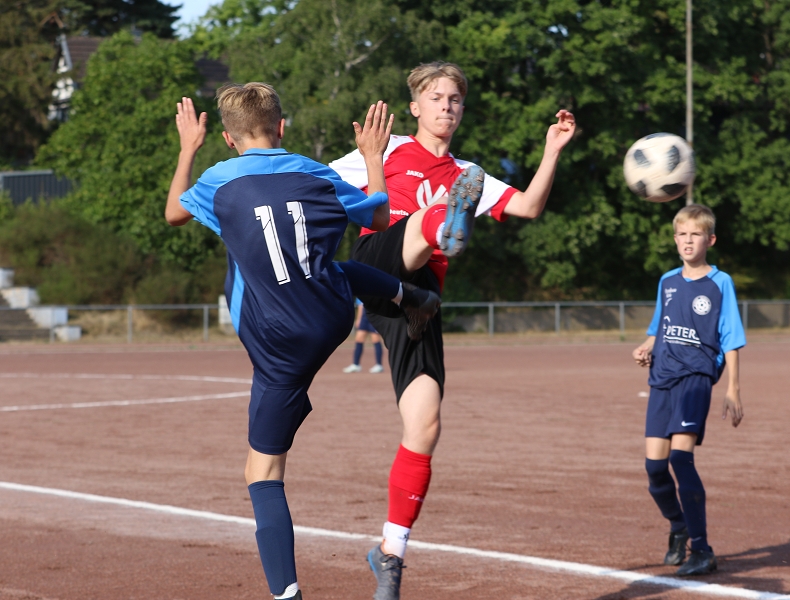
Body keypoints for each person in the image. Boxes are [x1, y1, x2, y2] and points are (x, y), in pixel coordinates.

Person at [163, 83, 439, 600]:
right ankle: (410, 296)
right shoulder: (316, 172)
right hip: (333, 313)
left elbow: (174, 214)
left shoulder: (219, 180)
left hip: (280, 341)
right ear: (282, 127)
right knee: (328, 265)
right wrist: (373, 157)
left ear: (226, 137)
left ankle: (286, 595)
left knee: (262, 471)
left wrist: (187, 149)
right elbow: (379, 219)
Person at [328, 61, 576, 599]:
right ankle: (447, 225)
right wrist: (370, 161)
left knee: (425, 425)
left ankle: (390, 554)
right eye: (437, 97)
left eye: (456, 100)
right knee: (422, 222)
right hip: (377, 261)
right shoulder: (386, 148)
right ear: (415, 107)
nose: (447, 106)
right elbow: (317, 187)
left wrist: (553, 148)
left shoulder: (467, 170)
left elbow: (530, 206)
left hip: (416, 304)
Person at [631, 204, 745, 577]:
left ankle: (703, 549)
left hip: (695, 378)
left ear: (709, 239)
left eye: (695, 234)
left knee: (681, 460)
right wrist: (647, 345)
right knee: (654, 469)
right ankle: (679, 527)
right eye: (682, 234)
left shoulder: (720, 282)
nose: (687, 240)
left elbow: (731, 337)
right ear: (675, 238)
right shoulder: (667, 281)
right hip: (661, 378)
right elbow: (658, 326)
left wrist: (733, 388)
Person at [344, 299, 385, 373]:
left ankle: (379, 365)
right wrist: (359, 319)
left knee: (375, 339)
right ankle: (356, 364)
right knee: (359, 339)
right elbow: (360, 306)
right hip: (364, 317)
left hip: (374, 315)